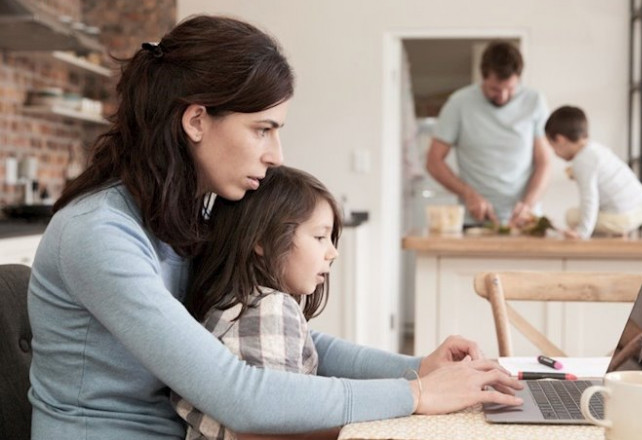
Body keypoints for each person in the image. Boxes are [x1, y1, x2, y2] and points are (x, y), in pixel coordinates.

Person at [27, 15, 523, 440]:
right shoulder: (101, 235)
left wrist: (416, 368)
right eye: (262, 129)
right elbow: (237, 394)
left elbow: (294, 338)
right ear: (196, 120)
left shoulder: (187, 216)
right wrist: (416, 394)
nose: (275, 155)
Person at [171, 165, 342, 440]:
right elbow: (268, 428)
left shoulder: (229, 302)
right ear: (262, 239)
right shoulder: (270, 307)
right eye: (320, 237)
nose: (332, 252)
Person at [426, 41, 552, 228]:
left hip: (524, 221)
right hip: (474, 221)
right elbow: (433, 161)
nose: (502, 96)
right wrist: (467, 193)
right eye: (494, 89)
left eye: (510, 89)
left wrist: (528, 204)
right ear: (483, 77)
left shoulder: (534, 101)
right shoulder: (459, 103)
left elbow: (544, 162)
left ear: (518, 78)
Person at [544, 105, 642, 239]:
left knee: (571, 216)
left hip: (625, 217)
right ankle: (618, 232)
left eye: (552, 146)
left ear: (560, 140)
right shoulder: (596, 149)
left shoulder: (582, 161)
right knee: (598, 210)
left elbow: (589, 198)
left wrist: (582, 232)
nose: (555, 153)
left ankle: (614, 231)